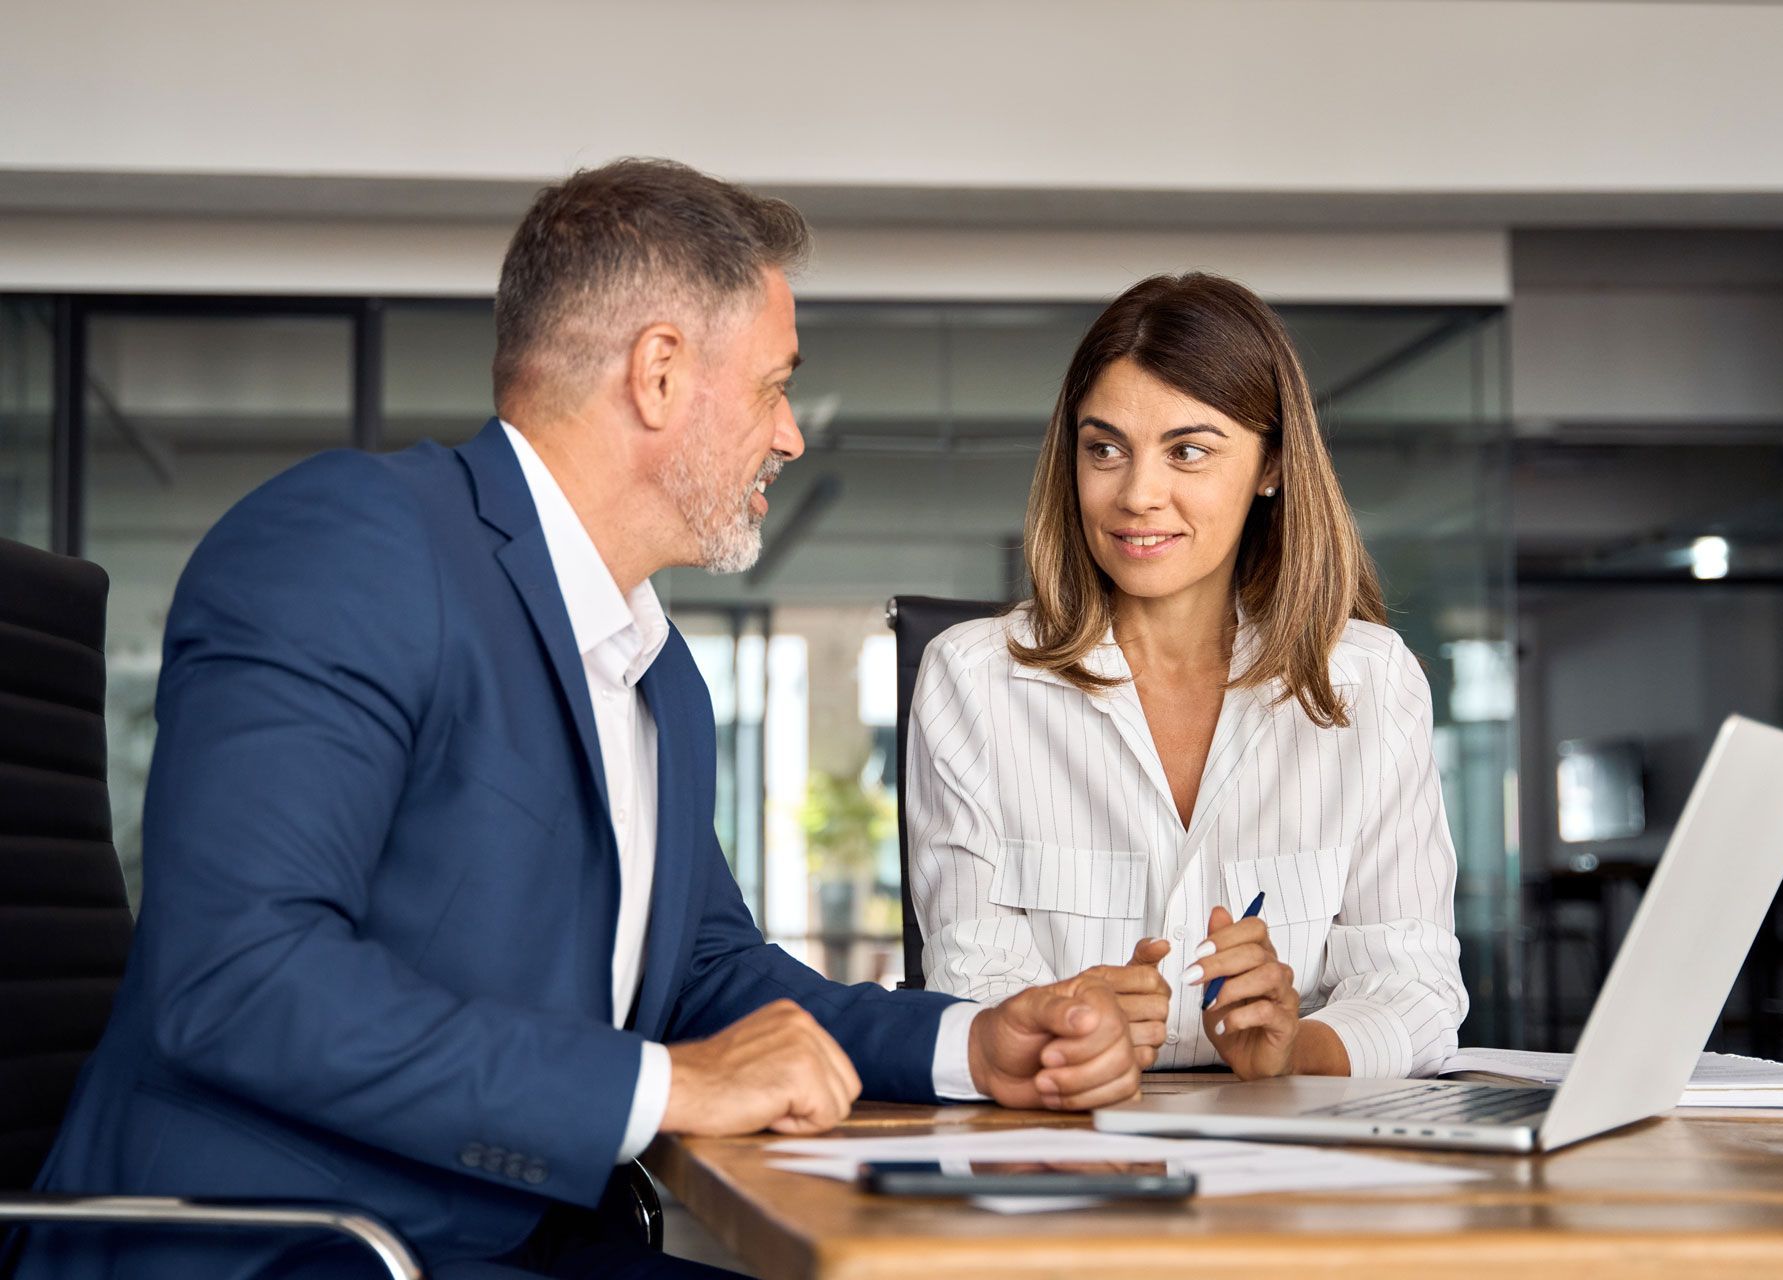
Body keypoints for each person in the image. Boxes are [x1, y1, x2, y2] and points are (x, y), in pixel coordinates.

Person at [9, 160, 1142, 1280]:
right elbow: (244, 975)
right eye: (771, 385)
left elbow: (710, 974)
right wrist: (666, 1085)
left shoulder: (659, 671)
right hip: (276, 1246)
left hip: (498, 1235)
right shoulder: (355, 543)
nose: (791, 434)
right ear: (659, 374)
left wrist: (970, 1044)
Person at [908, 273, 1468, 1084]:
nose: (1137, 495)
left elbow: (1415, 989)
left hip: (1291, 1167)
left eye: (1189, 452)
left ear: (1270, 465)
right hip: (1066, 1158)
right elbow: (972, 983)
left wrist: (1291, 1050)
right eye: (1105, 450)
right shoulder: (973, 680)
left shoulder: (1370, 684)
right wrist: (1074, 1024)